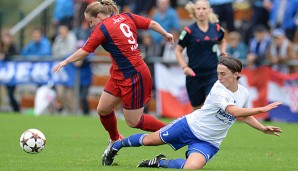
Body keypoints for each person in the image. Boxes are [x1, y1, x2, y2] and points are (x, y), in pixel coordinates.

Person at [102, 57, 283, 169]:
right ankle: (116, 145)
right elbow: (234, 111)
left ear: (236, 74)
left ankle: (159, 163)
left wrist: (261, 128)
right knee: (149, 141)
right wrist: (262, 109)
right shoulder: (218, 89)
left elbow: (242, 115)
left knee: (192, 168)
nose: (219, 78)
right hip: (189, 126)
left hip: (210, 141)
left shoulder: (243, 92)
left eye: (223, 74)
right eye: (218, 73)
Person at [52, 0, 173, 157]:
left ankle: (174, 131)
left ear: (100, 16)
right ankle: (115, 138)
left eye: (91, 21)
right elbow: (152, 23)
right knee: (103, 109)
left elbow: (85, 50)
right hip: (119, 73)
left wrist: (65, 61)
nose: (90, 25)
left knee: (133, 122)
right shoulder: (127, 16)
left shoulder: (102, 28)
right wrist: (165, 33)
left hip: (134, 74)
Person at [175, 0, 228, 111]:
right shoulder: (188, 31)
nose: (201, 11)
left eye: (204, 8)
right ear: (194, 11)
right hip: (194, 75)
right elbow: (178, 50)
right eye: (198, 9)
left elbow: (223, 40)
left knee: (211, 101)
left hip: (212, 73)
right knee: (197, 109)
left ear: (209, 11)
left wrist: (223, 51)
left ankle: (213, 127)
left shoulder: (217, 28)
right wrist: (185, 67)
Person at [0, 32, 20, 112]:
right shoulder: (2, 47)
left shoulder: (13, 47)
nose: (6, 40)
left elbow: (16, 54)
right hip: (3, 74)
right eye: (4, 38)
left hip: (12, 75)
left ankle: (16, 109)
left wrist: (5, 55)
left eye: (7, 38)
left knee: (10, 93)